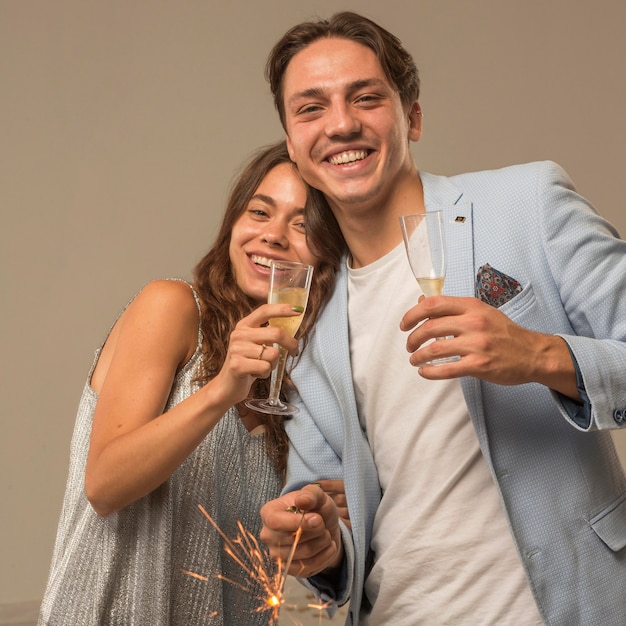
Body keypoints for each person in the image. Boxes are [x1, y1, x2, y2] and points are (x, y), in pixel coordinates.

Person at [258, 11, 626, 626]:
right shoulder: (307, 324)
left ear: (414, 116)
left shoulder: (526, 203)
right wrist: (318, 547)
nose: (342, 123)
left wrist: (540, 355)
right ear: (293, 146)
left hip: (570, 604)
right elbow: (332, 518)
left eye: (366, 97)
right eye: (311, 108)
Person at [38, 140, 345, 625]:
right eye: (259, 212)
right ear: (233, 223)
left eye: (302, 225)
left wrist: (323, 520)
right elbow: (104, 484)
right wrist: (223, 389)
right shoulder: (173, 308)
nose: (273, 236)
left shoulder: (307, 382)